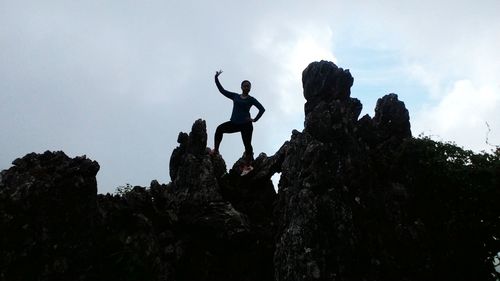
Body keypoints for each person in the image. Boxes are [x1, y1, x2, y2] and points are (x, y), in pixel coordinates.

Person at [212, 70, 265, 169]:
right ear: (241, 87)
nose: (246, 87)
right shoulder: (235, 96)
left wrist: (254, 119)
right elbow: (222, 91)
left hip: (246, 125)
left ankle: (248, 165)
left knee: (247, 145)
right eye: (245, 85)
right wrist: (216, 79)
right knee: (219, 129)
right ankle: (216, 151)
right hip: (234, 123)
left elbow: (262, 109)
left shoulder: (251, 99)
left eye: (248, 86)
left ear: (250, 88)